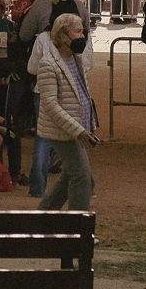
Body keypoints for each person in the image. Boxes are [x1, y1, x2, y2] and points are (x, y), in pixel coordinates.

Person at [32, 12, 99, 211]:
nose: (82, 36)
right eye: (77, 32)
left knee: (70, 176)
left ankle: (42, 218)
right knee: (83, 179)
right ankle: (77, 229)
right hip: (62, 132)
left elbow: (83, 95)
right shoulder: (48, 64)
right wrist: (78, 130)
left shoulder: (77, 60)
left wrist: (89, 125)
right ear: (63, 36)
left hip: (78, 128)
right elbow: (51, 105)